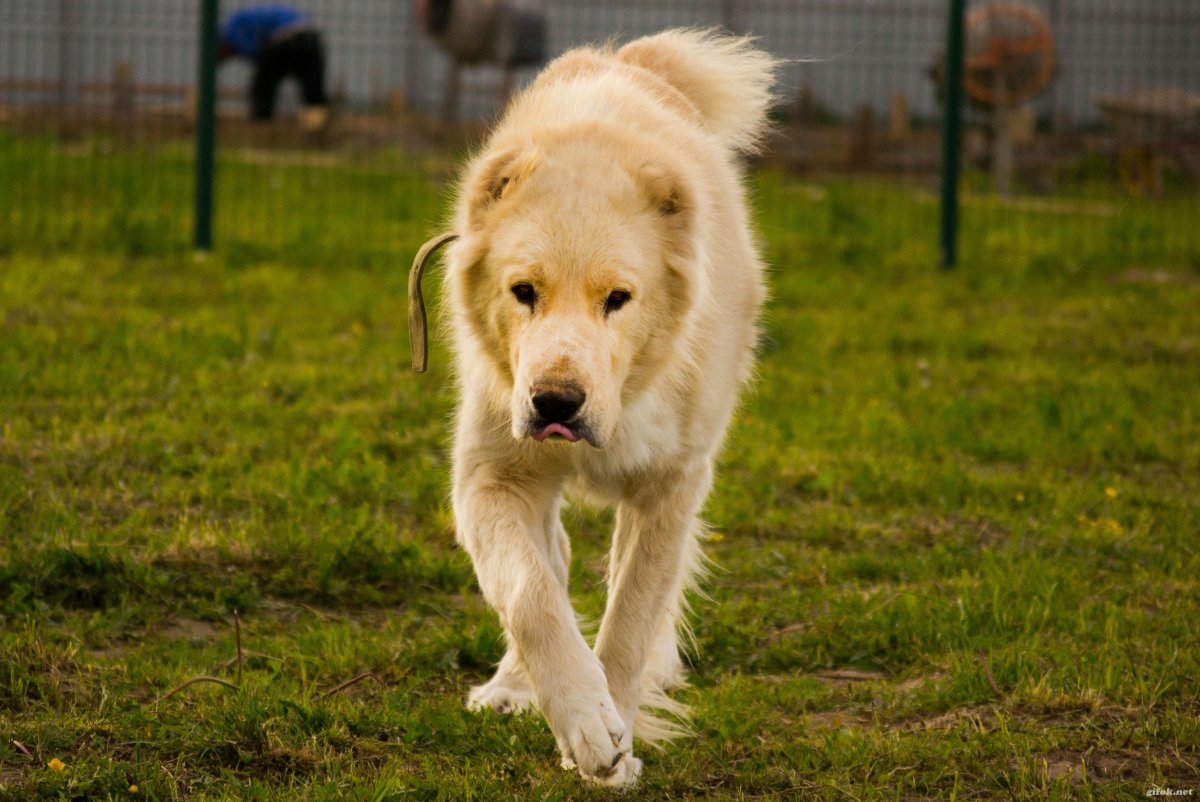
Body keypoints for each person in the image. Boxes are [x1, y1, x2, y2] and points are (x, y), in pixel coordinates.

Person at [218, 5, 328, 128]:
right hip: (311, 36)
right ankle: (314, 127)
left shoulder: (231, 30)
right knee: (313, 86)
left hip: (287, 36)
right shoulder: (240, 24)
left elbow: (255, 53)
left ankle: (261, 124)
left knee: (263, 85)